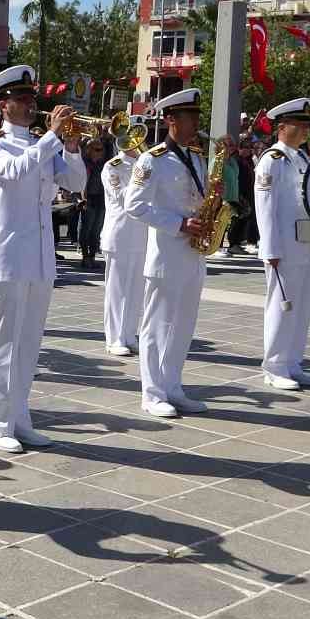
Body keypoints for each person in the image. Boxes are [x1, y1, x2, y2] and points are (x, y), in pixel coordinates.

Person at [0, 65, 85, 453]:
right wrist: (53, 137)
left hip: (38, 258)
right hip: (5, 258)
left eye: (31, 97)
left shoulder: (43, 143)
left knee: (28, 346)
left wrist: (70, 147)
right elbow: (17, 173)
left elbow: (75, 183)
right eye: (21, 98)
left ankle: (20, 418)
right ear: (3, 105)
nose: (30, 104)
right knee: (2, 346)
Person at [126, 88, 211, 419]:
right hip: (166, 252)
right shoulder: (152, 159)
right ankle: (153, 392)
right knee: (157, 324)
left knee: (183, 325)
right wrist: (179, 224)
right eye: (190, 117)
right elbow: (135, 206)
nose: (196, 123)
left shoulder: (197, 156)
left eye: (197, 117)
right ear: (171, 120)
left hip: (194, 252)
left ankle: (173, 386)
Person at [253, 98, 310, 391]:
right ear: (282, 127)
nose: (306, 129)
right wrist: (269, 249)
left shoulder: (302, 158)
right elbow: (265, 205)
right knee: (281, 306)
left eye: (307, 124)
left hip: (306, 244)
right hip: (284, 246)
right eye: (300, 124)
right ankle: (275, 365)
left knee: (302, 307)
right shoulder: (273, 159)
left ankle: (293, 362)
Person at [100, 127, 146, 356]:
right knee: (117, 290)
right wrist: (143, 179)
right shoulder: (112, 166)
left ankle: (129, 334)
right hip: (119, 234)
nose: (135, 142)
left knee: (136, 289)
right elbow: (123, 197)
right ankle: (114, 338)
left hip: (142, 234)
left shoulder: (147, 163)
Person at [77, 139, 107, 269]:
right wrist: (81, 199)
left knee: (96, 230)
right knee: (86, 229)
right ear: (89, 150)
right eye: (97, 149)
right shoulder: (84, 162)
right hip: (88, 199)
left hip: (101, 199)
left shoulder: (104, 163)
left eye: (101, 149)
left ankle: (92, 256)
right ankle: (85, 257)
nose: (101, 152)